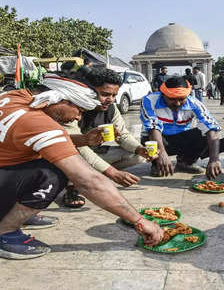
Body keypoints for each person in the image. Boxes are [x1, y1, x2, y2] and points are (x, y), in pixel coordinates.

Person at [0, 71, 164, 259]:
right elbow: (89, 181)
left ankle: (19, 212)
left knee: (48, 159)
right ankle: (1, 234)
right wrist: (140, 222)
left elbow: (27, 138)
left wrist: (83, 140)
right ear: (58, 99)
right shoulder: (37, 122)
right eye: (79, 110)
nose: (77, 118)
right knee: (55, 174)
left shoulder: (16, 97)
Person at [62, 68, 155, 208]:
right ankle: (73, 186)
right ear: (90, 90)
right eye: (105, 94)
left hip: (93, 152)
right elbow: (79, 148)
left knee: (135, 155)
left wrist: (140, 149)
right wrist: (112, 173)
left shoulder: (111, 108)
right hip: (69, 156)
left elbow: (123, 135)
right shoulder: (72, 108)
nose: (110, 99)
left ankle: (92, 175)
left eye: (114, 95)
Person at [140, 76, 222, 179]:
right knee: (150, 140)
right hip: (157, 139)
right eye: (172, 99)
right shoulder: (149, 100)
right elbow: (153, 128)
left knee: (205, 134)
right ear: (163, 95)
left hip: (180, 139)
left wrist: (214, 159)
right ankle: (157, 164)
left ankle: (186, 162)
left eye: (182, 99)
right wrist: (162, 154)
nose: (177, 103)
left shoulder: (194, 103)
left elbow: (211, 128)